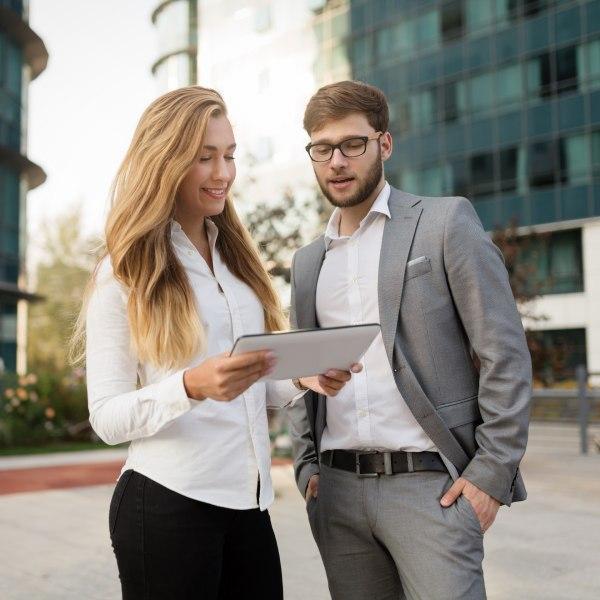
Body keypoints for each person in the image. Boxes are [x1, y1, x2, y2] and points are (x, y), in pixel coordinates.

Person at [74, 86, 359, 600]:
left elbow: (251, 386)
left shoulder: (238, 262)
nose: (223, 172)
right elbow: (108, 418)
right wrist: (190, 386)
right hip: (166, 507)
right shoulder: (123, 272)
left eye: (229, 155)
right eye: (204, 158)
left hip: (249, 506)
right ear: (165, 162)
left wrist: (302, 377)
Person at [286, 80, 532, 599]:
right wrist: (307, 467)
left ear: (384, 144)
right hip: (336, 492)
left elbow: (504, 352)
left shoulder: (445, 223)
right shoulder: (308, 263)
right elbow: (302, 371)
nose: (337, 161)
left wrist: (490, 474)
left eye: (353, 144)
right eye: (322, 148)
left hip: (431, 487)